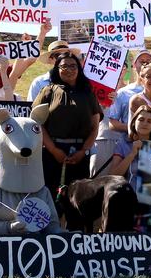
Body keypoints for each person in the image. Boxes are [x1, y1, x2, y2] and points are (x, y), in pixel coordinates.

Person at [32, 52, 102, 198]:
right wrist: (53, 150)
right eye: (64, 66)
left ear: (79, 68)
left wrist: (83, 151)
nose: (69, 69)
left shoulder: (88, 93)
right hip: (52, 154)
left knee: (78, 200)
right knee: (50, 197)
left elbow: (95, 127)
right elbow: (38, 124)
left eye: (73, 66)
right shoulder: (48, 91)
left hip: (80, 154)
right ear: (57, 68)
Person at [109, 105, 151, 191]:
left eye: (149, 121)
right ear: (134, 122)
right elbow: (112, 176)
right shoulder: (123, 143)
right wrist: (132, 154)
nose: (145, 123)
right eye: (141, 119)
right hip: (129, 195)